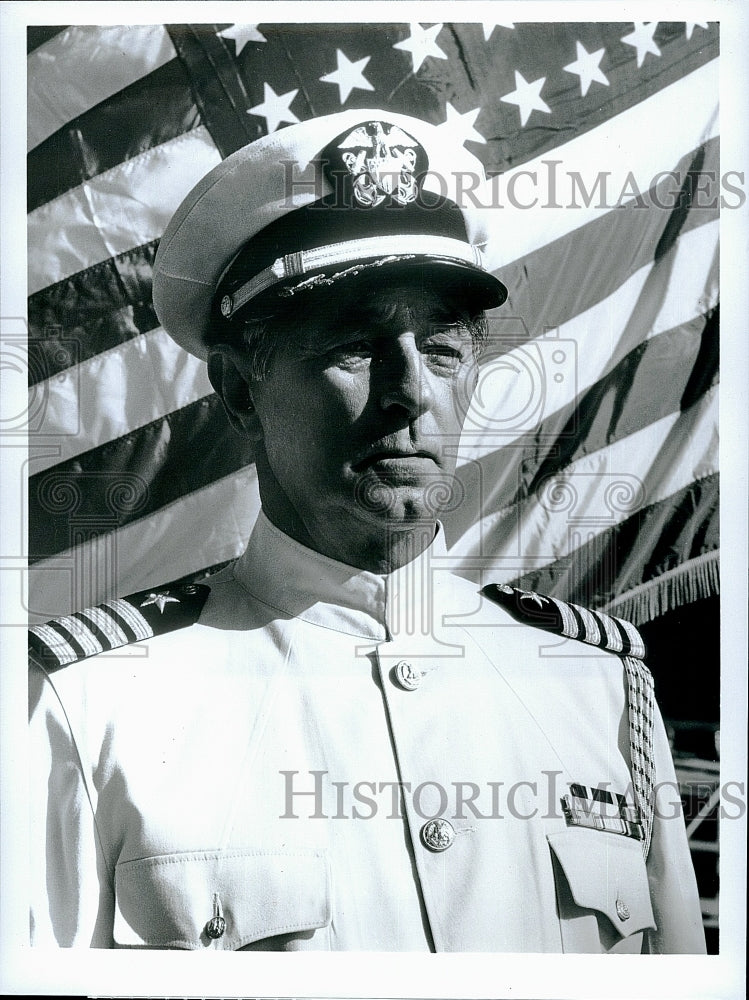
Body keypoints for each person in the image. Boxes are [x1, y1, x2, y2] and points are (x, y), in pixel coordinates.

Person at [28, 109, 705, 952]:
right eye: (355, 346)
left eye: (443, 350)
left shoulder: (593, 684)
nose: (410, 391)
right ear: (240, 392)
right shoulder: (91, 705)